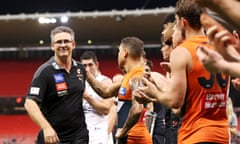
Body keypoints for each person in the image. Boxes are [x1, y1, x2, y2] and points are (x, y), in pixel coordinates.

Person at [134, 0, 230, 143]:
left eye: (177, 23)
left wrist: (153, 91)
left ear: (183, 22)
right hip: (221, 135)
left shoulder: (182, 52)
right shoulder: (219, 49)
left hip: (194, 135)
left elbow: (175, 103)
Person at [24, 26, 89, 144]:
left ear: (73, 44)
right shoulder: (45, 72)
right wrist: (46, 128)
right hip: (54, 138)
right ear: (52, 46)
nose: (63, 45)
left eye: (66, 41)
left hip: (79, 136)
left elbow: (103, 90)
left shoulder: (80, 69)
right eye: (58, 42)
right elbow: (30, 103)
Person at [86, 37, 152, 144]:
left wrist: (123, 131)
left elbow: (137, 109)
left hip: (135, 138)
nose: (118, 55)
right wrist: (87, 75)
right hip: (128, 137)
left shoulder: (137, 76)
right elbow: (105, 92)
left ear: (125, 52)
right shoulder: (129, 77)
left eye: (119, 51)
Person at [80, 51, 115, 144]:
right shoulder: (80, 83)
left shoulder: (105, 81)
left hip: (99, 132)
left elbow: (106, 109)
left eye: (90, 65)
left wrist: (87, 97)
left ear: (97, 64)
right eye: (84, 66)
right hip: (82, 132)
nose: (87, 69)